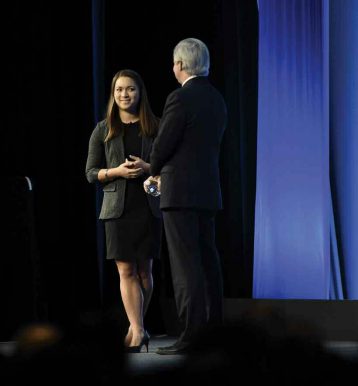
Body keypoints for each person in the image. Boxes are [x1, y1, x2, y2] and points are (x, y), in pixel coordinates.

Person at [144, 38, 227, 355]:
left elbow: (164, 144)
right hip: (207, 192)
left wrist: (152, 167)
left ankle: (191, 334)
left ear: (179, 65)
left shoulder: (180, 98)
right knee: (209, 262)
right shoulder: (217, 99)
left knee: (185, 266)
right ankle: (214, 331)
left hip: (179, 193)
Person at [85, 69, 162, 353]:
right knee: (125, 270)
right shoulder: (103, 129)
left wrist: (147, 168)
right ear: (113, 95)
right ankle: (139, 329)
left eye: (130, 89)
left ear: (139, 92)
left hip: (148, 207)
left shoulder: (155, 126)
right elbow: (91, 173)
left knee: (145, 271)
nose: (124, 94)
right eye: (119, 90)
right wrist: (116, 171)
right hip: (117, 210)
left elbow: (168, 165)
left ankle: (134, 327)